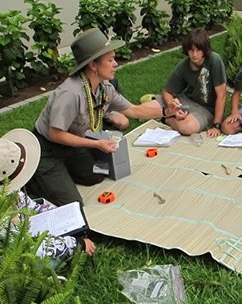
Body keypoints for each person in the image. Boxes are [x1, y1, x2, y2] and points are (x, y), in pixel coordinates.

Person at [27, 28, 166, 207]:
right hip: (47, 149)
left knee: (95, 175)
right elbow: (55, 134)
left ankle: (63, 172)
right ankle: (34, 179)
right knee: (73, 204)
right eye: (110, 60)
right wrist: (96, 144)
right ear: (93, 65)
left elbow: (134, 110)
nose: (115, 64)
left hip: (72, 144)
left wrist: (166, 111)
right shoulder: (70, 93)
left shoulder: (104, 87)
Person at [0, 129, 96, 268]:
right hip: (3, 259)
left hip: (20, 232)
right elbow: (28, 247)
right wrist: (76, 245)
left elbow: (26, 203)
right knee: (47, 263)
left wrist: (60, 216)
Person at [140, 28, 227, 138]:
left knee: (188, 128)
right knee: (143, 108)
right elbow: (167, 92)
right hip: (184, 101)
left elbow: (222, 95)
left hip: (206, 109)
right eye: (191, 50)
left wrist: (216, 125)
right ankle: (170, 115)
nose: (194, 54)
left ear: (204, 49)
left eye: (198, 50)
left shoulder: (215, 61)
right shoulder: (183, 66)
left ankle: (166, 119)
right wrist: (174, 107)